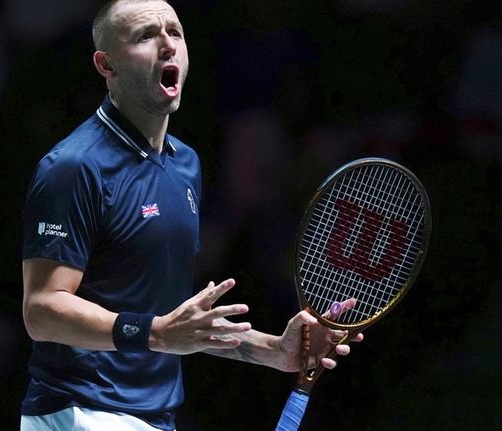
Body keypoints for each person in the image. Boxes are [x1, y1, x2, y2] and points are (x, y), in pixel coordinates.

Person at [20, 1, 360, 430]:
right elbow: (42, 310)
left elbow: (174, 320)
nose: (167, 45)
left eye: (175, 33)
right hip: (79, 411)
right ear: (106, 65)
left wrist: (273, 350)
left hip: (155, 417)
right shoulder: (74, 167)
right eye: (146, 35)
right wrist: (155, 333)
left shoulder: (186, 165)